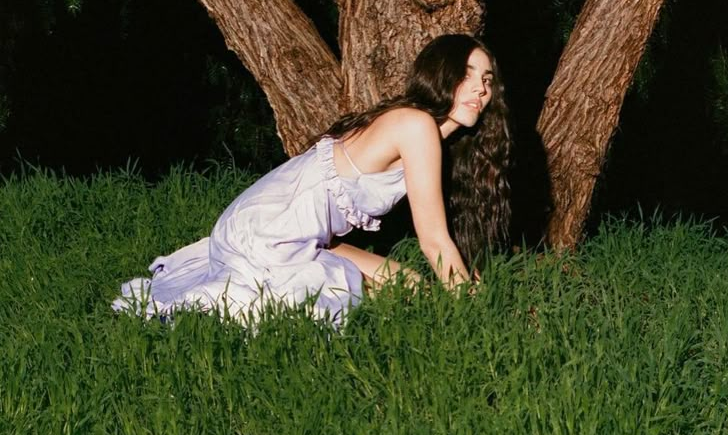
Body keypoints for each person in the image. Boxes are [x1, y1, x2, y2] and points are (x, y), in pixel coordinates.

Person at [112, 34, 511, 327]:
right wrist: (472, 304)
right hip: (264, 232)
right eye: (467, 74)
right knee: (359, 300)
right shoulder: (415, 125)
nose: (481, 88)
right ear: (441, 76)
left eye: (488, 79)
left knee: (413, 289)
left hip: (301, 234)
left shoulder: (421, 130)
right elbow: (434, 240)